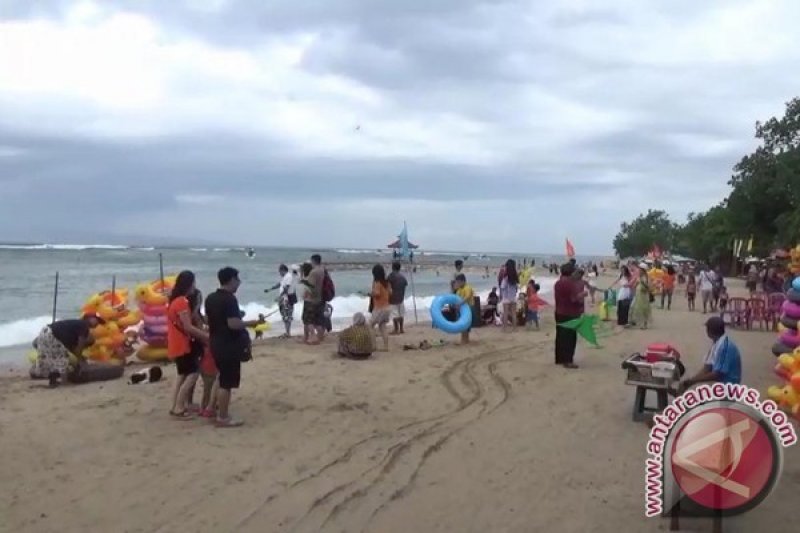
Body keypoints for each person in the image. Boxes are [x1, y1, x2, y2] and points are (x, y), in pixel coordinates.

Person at [205, 267, 264, 427]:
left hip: (215, 343)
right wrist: (253, 323)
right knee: (227, 383)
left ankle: (211, 408)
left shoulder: (210, 298)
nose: (239, 282)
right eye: (237, 279)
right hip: (228, 345)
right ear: (231, 280)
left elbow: (214, 320)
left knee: (221, 376)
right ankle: (223, 417)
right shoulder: (229, 299)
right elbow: (233, 324)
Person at [166, 271, 209, 419]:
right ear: (188, 284)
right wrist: (206, 336)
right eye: (193, 283)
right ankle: (179, 408)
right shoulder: (182, 302)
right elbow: (188, 327)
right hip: (182, 343)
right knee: (193, 373)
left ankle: (175, 406)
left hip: (174, 342)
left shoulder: (173, 300)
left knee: (182, 375)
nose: (194, 286)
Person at [30, 313, 104, 387]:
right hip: (52, 335)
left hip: (45, 332)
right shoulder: (83, 325)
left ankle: (53, 382)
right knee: (62, 358)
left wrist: (80, 357)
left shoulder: (74, 328)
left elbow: (73, 348)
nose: (98, 324)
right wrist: (78, 359)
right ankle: (64, 382)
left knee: (52, 359)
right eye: (97, 320)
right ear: (89, 318)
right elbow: (80, 344)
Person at [677, 316, 742, 393]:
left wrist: (692, 382)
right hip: (719, 382)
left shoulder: (725, 347)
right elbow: (707, 368)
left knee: (696, 393)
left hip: (727, 385)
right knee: (687, 389)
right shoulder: (716, 344)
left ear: (709, 331)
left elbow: (717, 374)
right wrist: (690, 381)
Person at [554, 263, 585, 368]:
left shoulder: (558, 283)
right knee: (570, 338)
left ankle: (559, 358)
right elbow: (573, 299)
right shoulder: (570, 284)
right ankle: (568, 360)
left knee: (560, 336)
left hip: (559, 312)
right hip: (570, 313)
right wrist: (582, 295)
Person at [267, 264, 297, 338]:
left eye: (280, 272)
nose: (279, 273)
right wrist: (270, 289)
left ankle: (288, 333)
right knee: (285, 316)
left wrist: (279, 297)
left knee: (287, 316)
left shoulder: (289, 276)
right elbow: (279, 284)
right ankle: (287, 332)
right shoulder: (285, 277)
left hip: (287, 299)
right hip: (284, 299)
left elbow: (287, 288)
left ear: (283, 270)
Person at [303, 254, 327, 344]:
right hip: (319, 298)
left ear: (313, 261)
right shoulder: (322, 270)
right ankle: (320, 336)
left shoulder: (313, 272)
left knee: (308, 320)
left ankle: (313, 337)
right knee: (317, 320)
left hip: (311, 299)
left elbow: (311, 286)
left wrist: (304, 281)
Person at [369, 264, 392, 351]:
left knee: (370, 325)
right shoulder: (387, 283)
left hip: (379, 308)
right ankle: (386, 346)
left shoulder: (377, 283)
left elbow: (377, 294)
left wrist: (371, 294)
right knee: (382, 326)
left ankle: (374, 346)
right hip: (387, 307)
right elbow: (391, 292)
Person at [387, 261, 408, 334]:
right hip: (401, 298)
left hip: (393, 299)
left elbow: (389, 288)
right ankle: (401, 329)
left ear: (392, 267)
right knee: (401, 314)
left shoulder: (391, 276)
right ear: (399, 268)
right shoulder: (402, 277)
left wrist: (388, 297)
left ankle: (396, 329)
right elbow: (404, 287)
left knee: (394, 315)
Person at [453, 273, 474, 344]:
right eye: (457, 282)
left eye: (459, 282)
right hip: (461, 309)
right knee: (462, 325)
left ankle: (465, 340)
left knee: (466, 325)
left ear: (463, 281)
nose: (458, 284)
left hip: (468, 308)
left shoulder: (467, 287)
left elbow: (467, 297)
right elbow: (456, 298)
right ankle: (464, 340)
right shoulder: (459, 289)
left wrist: (459, 304)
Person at [500, 259, 519, 332]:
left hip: (506, 297)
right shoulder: (515, 278)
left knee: (506, 313)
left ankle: (504, 328)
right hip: (513, 297)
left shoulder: (505, 278)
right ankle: (515, 328)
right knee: (514, 313)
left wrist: (501, 296)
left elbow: (502, 287)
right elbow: (517, 287)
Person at [631, 264, 652, 330]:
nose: (639, 270)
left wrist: (643, 283)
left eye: (640, 269)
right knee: (635, 307)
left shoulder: (646, 277)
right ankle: (637, 322)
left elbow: (649, 287)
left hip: (644, 295)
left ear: (643, 270)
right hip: (638, 294)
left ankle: (644, 324)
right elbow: (636, 284)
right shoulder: (639, 277)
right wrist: (634, 287)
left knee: (644, 309)